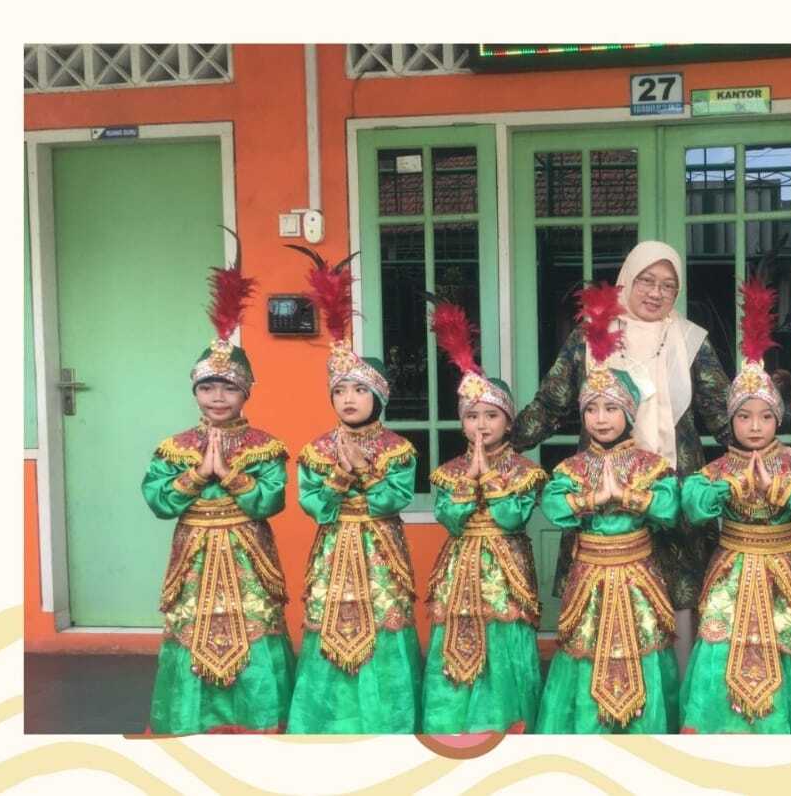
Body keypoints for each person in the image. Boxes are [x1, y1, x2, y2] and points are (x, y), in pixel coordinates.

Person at [512, 241, 731, 670]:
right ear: (627, 280)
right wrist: (506, 441)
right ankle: (604, 684)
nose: (656, 292)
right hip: (601, 475)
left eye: (668, 285)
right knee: (604, 578)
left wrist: (762, 450)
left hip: (672, 480)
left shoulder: (690, 340)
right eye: (647, 280)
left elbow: (722, 411)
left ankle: (673, 685)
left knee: (678, 586)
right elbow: (552, 402)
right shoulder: (591, 336)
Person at [140, 235, 293, 734]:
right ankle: (190, 721)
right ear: (195, 392)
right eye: (207, 387)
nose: (217, 397)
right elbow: (158, 500)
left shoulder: (265, 446)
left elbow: (270, 500)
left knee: (254, 627)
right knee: (192, 628)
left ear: (245, 393)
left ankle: (260, 720)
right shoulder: (175, 447)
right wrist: (196, 474)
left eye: (228, 387)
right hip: (194, 557)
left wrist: (229, 475)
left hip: (249, 554)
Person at [677, 278, 791, 733]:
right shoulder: (717, 468)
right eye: (744, 417)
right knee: (720, 640)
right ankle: (715, 726)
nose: (754, 426)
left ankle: (778, 729)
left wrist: (778, 489)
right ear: (730, 421)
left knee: (784, 640)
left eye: (765, 416)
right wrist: (730, 488)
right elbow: (693, 504)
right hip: (730, 568)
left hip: (780, 570)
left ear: (779, 419)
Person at [285, 249, 423, 733]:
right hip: (333, 548)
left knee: (385, 619)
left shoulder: (398, 448)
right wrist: (342, 477)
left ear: (379, 397)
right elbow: (314, 505)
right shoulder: (316, 449)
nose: (349, 399)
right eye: (341, 391)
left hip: (381, 550)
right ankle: (325, 721)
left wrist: (365, 471)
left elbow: (394, 499)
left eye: (360, 391)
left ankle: (388, 721)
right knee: (328, 621)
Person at [535, 282, 681, 734]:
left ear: (630, 414)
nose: (601, 418)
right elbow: (553, 505)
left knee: (644, 649)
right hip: (589, 579)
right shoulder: (572, 467)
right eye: (592, 409)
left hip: (639, 577)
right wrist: (595, 498)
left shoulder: (651, 465)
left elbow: (669, 508)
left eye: (611, 409)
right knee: (584, 651)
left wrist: (628, 496)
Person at [420, 300, 547, 733]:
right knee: (454, 639)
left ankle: (506, 725)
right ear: (462, 424)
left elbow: (512, 518)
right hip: (459, 571)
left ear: (508, 423)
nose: (481, 425)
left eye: (491, 416)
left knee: (505, 641)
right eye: (472, 416)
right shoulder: (448, 472)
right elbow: (450, 518)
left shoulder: (525, 472)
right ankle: (450, 727)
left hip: (506, 573)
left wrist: (487, 479)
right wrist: (467, 482)